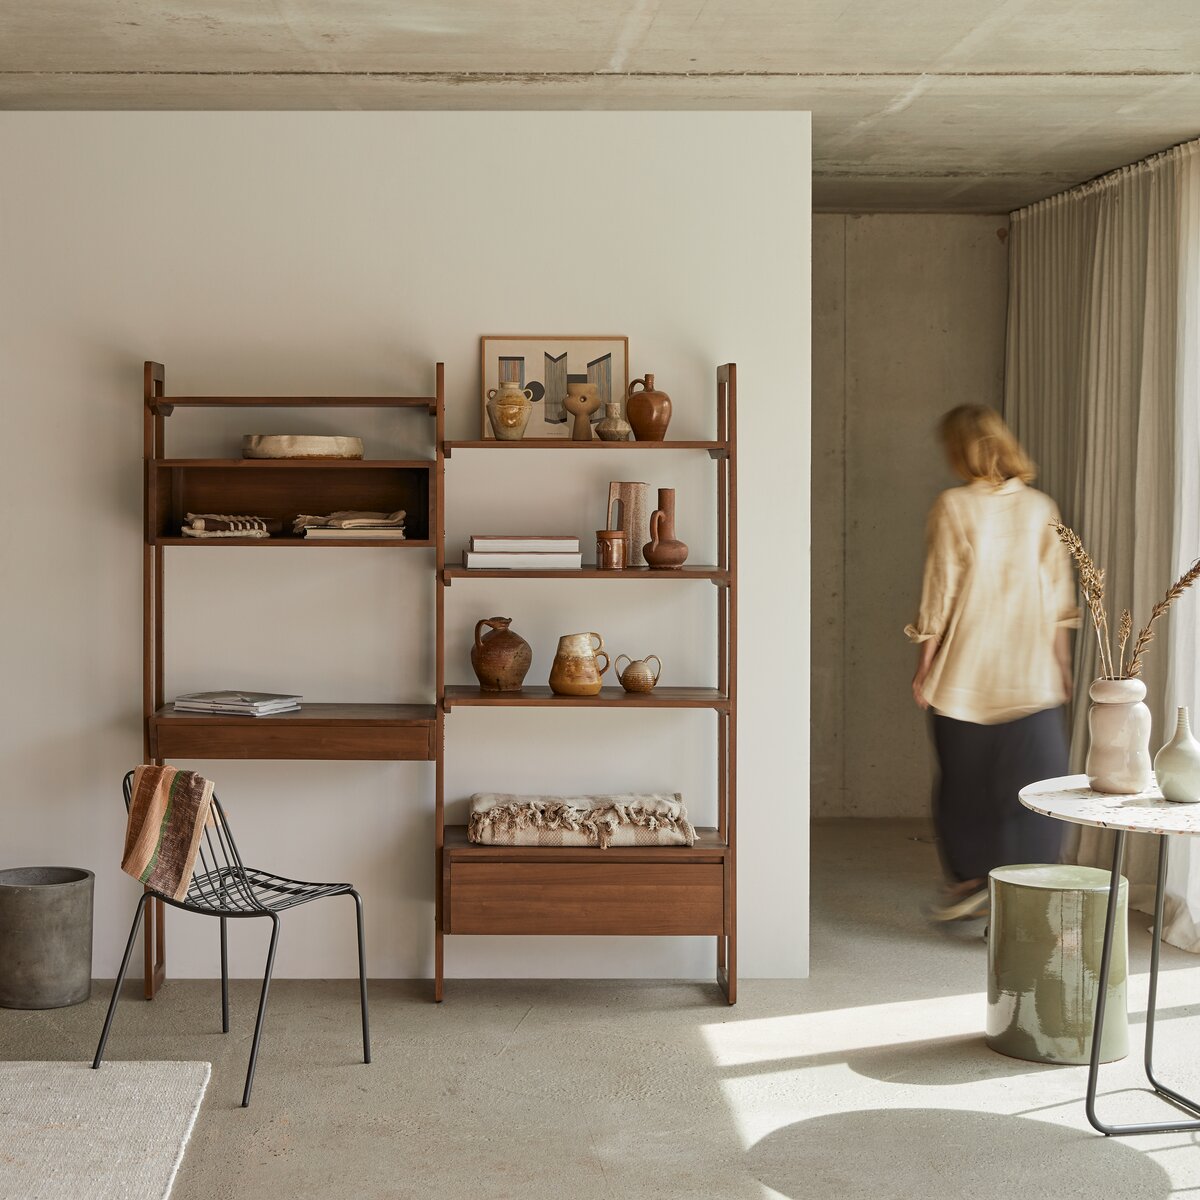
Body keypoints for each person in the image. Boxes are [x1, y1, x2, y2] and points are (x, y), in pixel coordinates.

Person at [906, 405, 1078, 921]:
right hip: (1030, 675)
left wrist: (924, 664)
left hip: (967, 675)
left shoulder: (954, 505)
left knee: (963, 787)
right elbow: (1058, 597)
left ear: (958, 450)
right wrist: (1062, 665)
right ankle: (1026, 895)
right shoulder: (1041, 507)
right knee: (1035, 790)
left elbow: (940, 590)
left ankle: (969, 884)